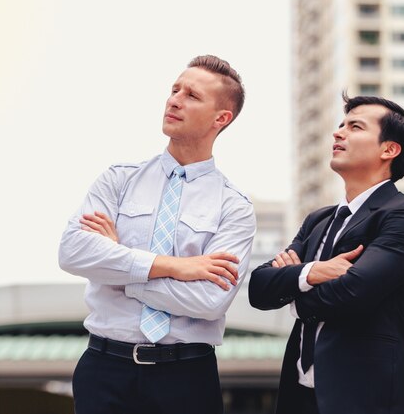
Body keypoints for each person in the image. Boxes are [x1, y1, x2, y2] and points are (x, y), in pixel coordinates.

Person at [58, 54, 256, 414]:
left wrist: (121, 271)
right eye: (174, 89)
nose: (175, 100)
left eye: (192, 96)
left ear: (221, 118)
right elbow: (73, 252)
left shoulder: (234, 207)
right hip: (105, 368)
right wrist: (173, 267)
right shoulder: (118, 179)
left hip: (186, 377)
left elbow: (210, 302)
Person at [249, 94, 404, 414]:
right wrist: (311, 273)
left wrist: (293, 287)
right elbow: (259, 288)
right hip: (301, 398)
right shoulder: (318, 220)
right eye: (339, 125)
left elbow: (353, 291)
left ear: (389, 149)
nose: (338, 133)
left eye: (355, 127)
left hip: (370, 398)